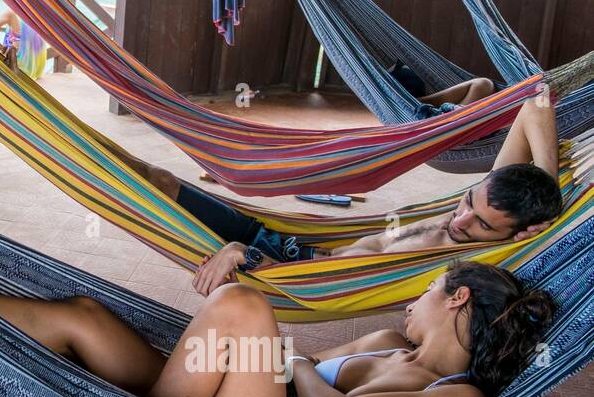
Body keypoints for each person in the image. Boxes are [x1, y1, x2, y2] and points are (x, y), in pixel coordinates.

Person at [0, 197, 553, 397]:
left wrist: (304, 364)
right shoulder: (383, 342)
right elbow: (280, 366)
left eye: (428, 290)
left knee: (248, 305)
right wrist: (288, 354)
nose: (412, 300)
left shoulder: (455, 392)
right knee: (84, 316)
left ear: (457, 299)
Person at [131, 95, 561, 295]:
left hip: (281, 268)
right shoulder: (492, 206)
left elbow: (312, 286)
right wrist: (549, 192)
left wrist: (244, 253)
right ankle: (73, 146)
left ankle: (65, 154)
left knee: (151, 193)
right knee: (160, 180)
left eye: (481, 225)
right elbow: (536, 102)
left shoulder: (476, 261)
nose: (462, 219)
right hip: (291, 243)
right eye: (469, 203)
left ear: (516, 237)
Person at [0, 9, 49, 79]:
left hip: (18, 69)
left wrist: (2, 48)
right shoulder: (38, 12)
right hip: (37, 69)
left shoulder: (11, 13)